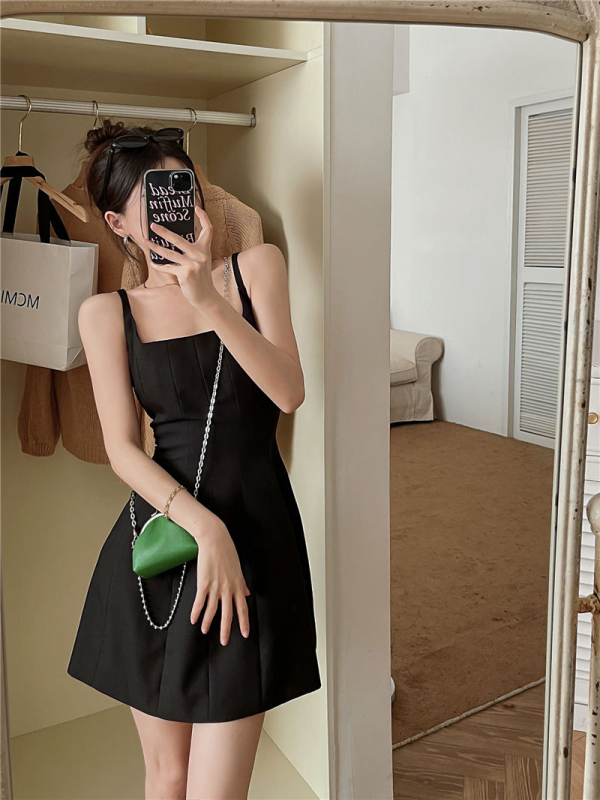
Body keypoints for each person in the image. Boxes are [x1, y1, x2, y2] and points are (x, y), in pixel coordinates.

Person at [66, 121, 321, 800]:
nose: (179, 208)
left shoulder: (256, 268)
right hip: (162, 550)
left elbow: (288, 393)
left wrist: (206, 297)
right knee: (167, 776)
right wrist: (206, 529)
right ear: (118, 223)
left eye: (184, 189)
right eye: (154, 200)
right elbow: (123, 450)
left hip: (255, 546)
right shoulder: (105, 313)